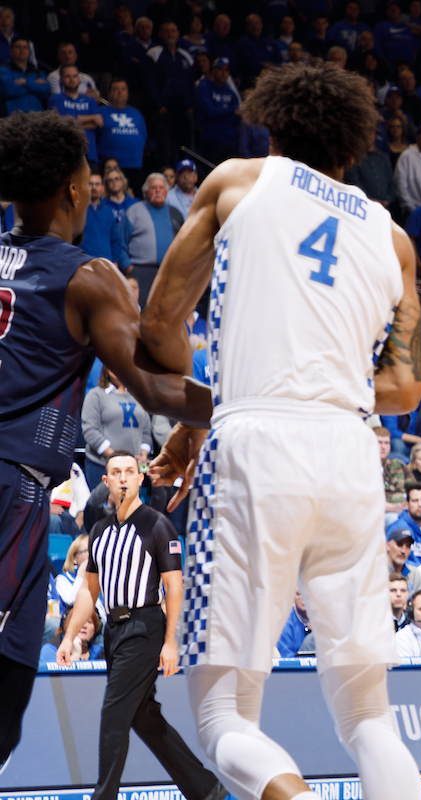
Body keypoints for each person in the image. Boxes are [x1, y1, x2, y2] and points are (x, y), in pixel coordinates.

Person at [138, 64, 421, 800]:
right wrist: (322, 380)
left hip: (255, 444)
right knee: (368, 716)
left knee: (222, 714)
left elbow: (161, 323)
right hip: (351, 451)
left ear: (272, 125)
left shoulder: (237, 182)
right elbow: (406, 388)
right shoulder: (393, 239)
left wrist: (203, 417)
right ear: (355, 146)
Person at [0, 111, 213, 769]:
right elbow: (155, 387)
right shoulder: (87, 276)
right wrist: (230, 410)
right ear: (75, 188)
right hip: (13, 487)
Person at [56, 453, 225, 800]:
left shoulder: (158, 524)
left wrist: (171, 641)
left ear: (138, 479)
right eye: (115, 473)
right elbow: (90, 593)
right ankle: (206, 789)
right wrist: (69, 635)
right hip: (114, 631)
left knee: (114, 711)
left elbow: (174, 587)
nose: (122, 478)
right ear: (106, 482)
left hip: (145, 626)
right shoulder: (99, 531)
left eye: (129, 472)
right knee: (143, 716)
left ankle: (103, 796)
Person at [116, 172, 185, 305]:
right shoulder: (134, 211)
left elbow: (183, 245)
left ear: (166, 191)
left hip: (168, 272)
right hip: (140, 271)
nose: (158, 191)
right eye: (154, 188)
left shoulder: (175, 213)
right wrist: (128, 267)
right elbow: (120, 242)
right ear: (146, 191)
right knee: (141, 311)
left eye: (161, 187)